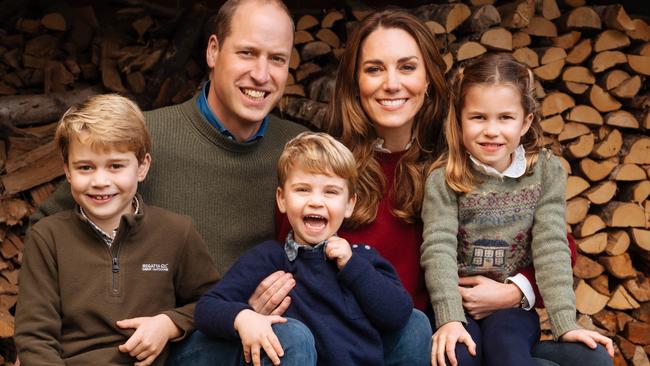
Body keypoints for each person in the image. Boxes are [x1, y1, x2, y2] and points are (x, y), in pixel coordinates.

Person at [30, 1, 430, 364]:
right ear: (212, 51)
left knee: (396, 325)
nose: (261, 74)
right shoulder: (142, 142)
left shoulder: (297, 150)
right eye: (247, 53)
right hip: (185, 337)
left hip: (270, 331)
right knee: (287, 338)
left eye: (276, 58)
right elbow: (53, 230)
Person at [321, 10, 612, 366]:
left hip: (492, 317)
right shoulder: (331, 167)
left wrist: (510, 292)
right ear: (354, 81)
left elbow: (556, 245)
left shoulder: (467, 154)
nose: (392, 83)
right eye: (374, 69)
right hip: (410, 334)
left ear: (429, 78)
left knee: (591, 361)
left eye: (407, 67)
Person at [421, 53, 615, 366]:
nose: (491, 130)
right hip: (458, 306)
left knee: (508, 351)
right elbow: (438, 248)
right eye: (478, 117)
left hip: (512, 312)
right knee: (456, 357)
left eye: (505, 118)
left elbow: (552, 245)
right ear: (459, 119)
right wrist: (449, 318)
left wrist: (565, 322)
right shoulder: (445, 177)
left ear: (525, 122)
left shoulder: (545, 172)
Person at [14, 94, 219, 366]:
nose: (100, 181)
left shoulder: (177, 232)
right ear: (68, 171)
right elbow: (35, 337)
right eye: (85, 167)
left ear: (142, 166)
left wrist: (169, 323)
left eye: (116, 166)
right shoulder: (47, 238)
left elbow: (210, 302)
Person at [196, 132, 416, 366]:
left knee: (417, 321)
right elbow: (207, 308)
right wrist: (243, 318)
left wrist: (353, 267)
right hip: (298, 357)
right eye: (303, 189)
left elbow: (398, 315)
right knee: (293, 335)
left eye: (330, 192)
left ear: (350, 204)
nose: (316, 201)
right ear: (282, 199)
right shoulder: (269, 259)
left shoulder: (363, 259)